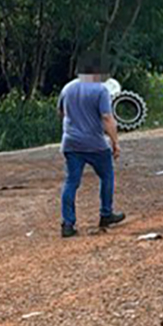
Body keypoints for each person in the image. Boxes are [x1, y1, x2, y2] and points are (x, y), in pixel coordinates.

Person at [57, 53, 125, 238]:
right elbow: (107, 118)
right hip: (95, 144)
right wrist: (115, 142)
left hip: (71, 143)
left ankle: (68, 224)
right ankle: (106, 214)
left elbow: (61, 112)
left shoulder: (67, 88)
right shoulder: (100, 90)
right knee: (107, 176)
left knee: (71, 182)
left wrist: (70, 129)